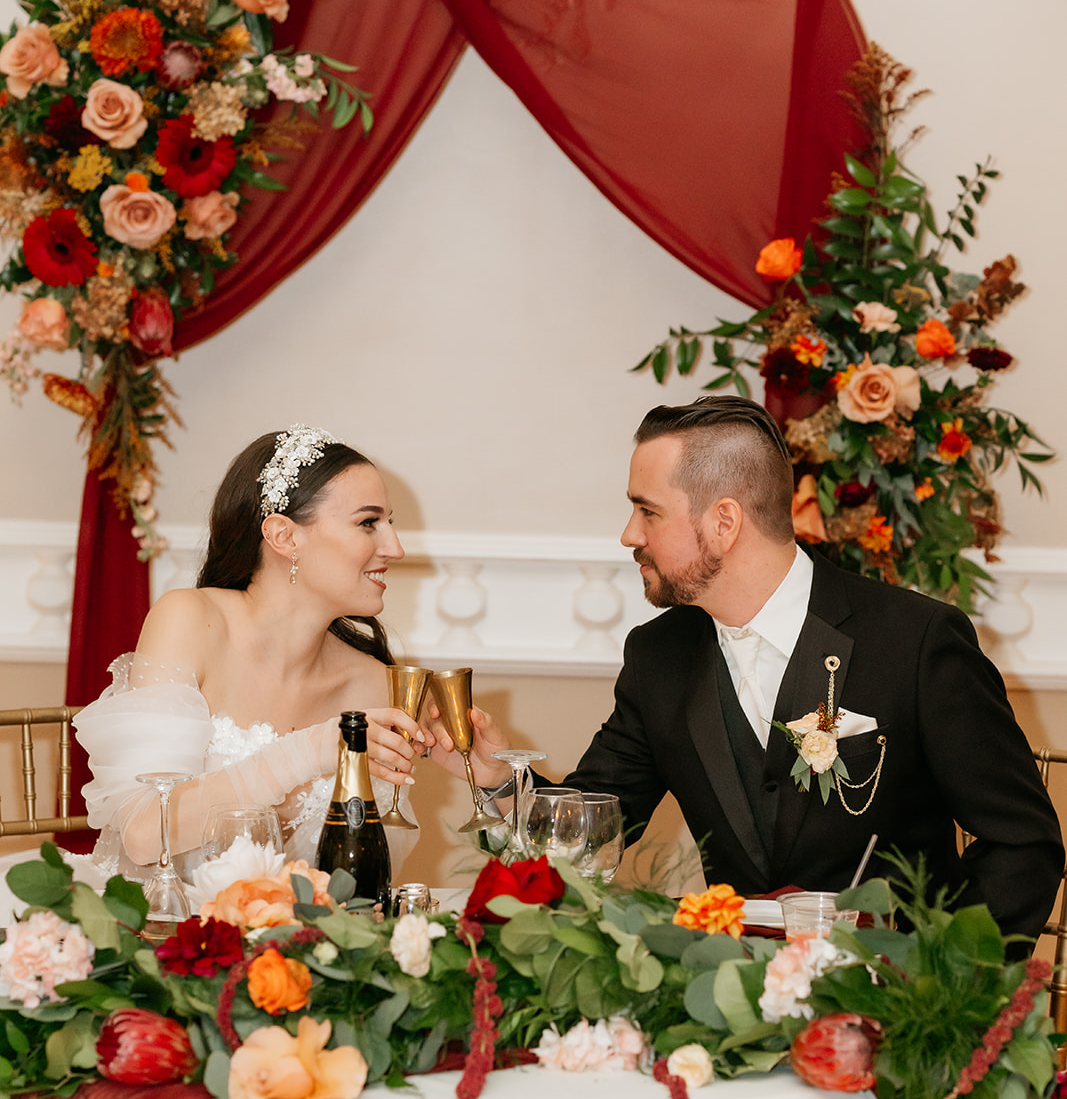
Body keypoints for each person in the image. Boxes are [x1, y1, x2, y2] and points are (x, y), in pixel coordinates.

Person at [456, 396, 1063, 942]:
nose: (627, 535)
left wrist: (938, 988)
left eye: (648, 511)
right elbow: (593, 830)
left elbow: (1024, 845)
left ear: (724, 522)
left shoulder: (916, 641)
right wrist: (496, 780)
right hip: (724, 1010)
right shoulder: (657, 657)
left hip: (893, 1015)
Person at [74, 424, 425, 878]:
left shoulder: (374, 682)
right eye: (368, 523)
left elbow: (364, 884)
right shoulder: (190, 621)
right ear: (284, 536)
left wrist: (490, 780)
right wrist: (310, 750)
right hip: (158, 933)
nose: (394, 548)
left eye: (389, 523)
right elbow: (143, 834)